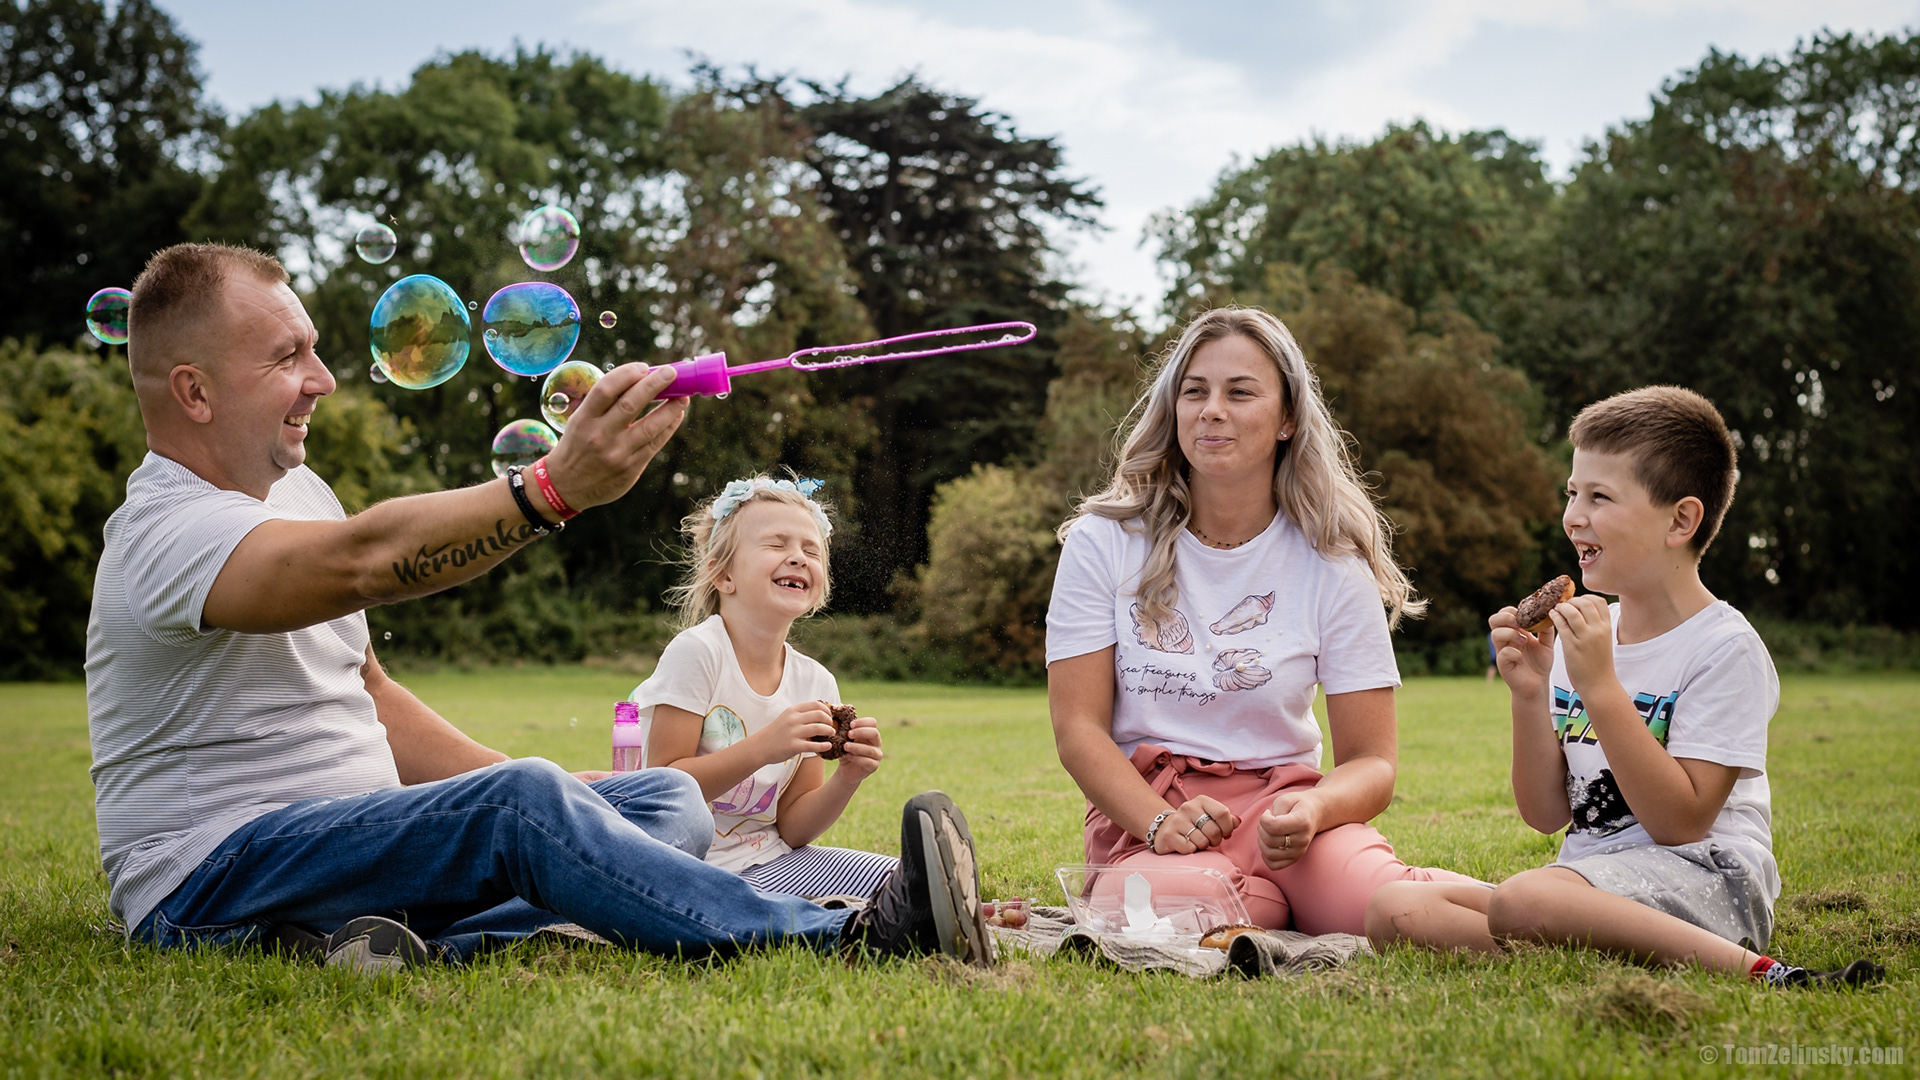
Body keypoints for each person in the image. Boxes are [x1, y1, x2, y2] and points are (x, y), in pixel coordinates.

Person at [86, 241, 989, 971]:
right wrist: (550, 490)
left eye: (316, 348)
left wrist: (563, 788)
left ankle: (393, 945)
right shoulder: (166, 531)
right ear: (194, 391)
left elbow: (370, 693)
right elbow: (370, 560)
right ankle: (846, 935)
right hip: (214, 876)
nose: (321, 378)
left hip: (354, 850)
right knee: (523, 806)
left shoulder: (299, 493)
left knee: (670, 801)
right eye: (288, 357)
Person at [1364, 387, 1882, 987]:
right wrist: (1530, 693)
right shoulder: (1589, 634)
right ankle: (1600, 955)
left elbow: (1680, 823)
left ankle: (1766, 973)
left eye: (1600, 496)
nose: (1573, 516)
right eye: (1572, 493)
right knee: (1393, 908)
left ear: (1681, 519)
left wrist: (1602, 688)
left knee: (1522, 902)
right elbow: (1546, 813)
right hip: (1589, 880)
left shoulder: (1723, 647)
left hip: (1707, 878)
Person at [1045, 306, 1482, 936]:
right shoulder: (1103, 542)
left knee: (1394, 909)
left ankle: (1583, 918)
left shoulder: (1332, 563)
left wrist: (1313, 810)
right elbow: (1078, 730)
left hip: (1287, 817)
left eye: (1239, 392)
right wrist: (1158, 823)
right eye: (1193, 391)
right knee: (1185, 908)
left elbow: (1373, 764)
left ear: (1287, 420)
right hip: (1151, 820)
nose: (1210, 409)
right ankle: (1267, 906)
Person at [626, 475, 898, 901]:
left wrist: (848, 777)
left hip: (773, 859)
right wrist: (765, 747)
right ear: (723, 575)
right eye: (777, 544)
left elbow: (792, 826)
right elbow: (663, 791)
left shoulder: (816, 682)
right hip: (683, 867)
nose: (798, 558)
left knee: (898, 878)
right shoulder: (697, 652)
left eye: (811, 550)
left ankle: (917, 902)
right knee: (805, 910)